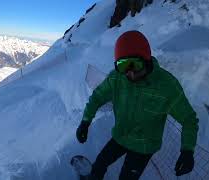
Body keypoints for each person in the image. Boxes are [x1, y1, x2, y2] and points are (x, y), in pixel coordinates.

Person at [76, 31, 199, 180]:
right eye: (124, 66)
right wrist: (85, 121)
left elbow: (189, 119)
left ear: (146, 60)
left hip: (144, 147)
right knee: (100, 163)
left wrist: (187, 150)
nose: (131, 73)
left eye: (136, 64)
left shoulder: (167, 86)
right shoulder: (117, 78)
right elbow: (97, 97)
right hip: (121, 136)